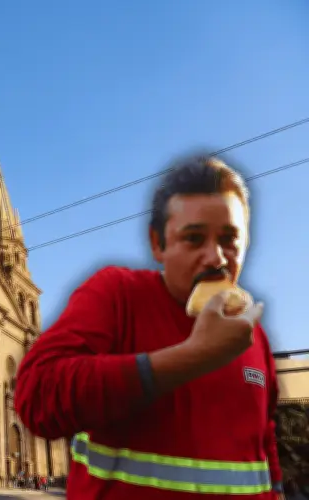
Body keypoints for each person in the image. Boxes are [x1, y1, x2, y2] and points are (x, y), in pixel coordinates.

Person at [14, 156, 283, 499]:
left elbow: (263, 438)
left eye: (230, 239)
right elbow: (36, 397)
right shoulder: (117, 294)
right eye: (194, 238)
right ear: (158, 243)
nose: (216, 257)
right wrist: (190, 357)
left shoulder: (252, 334)